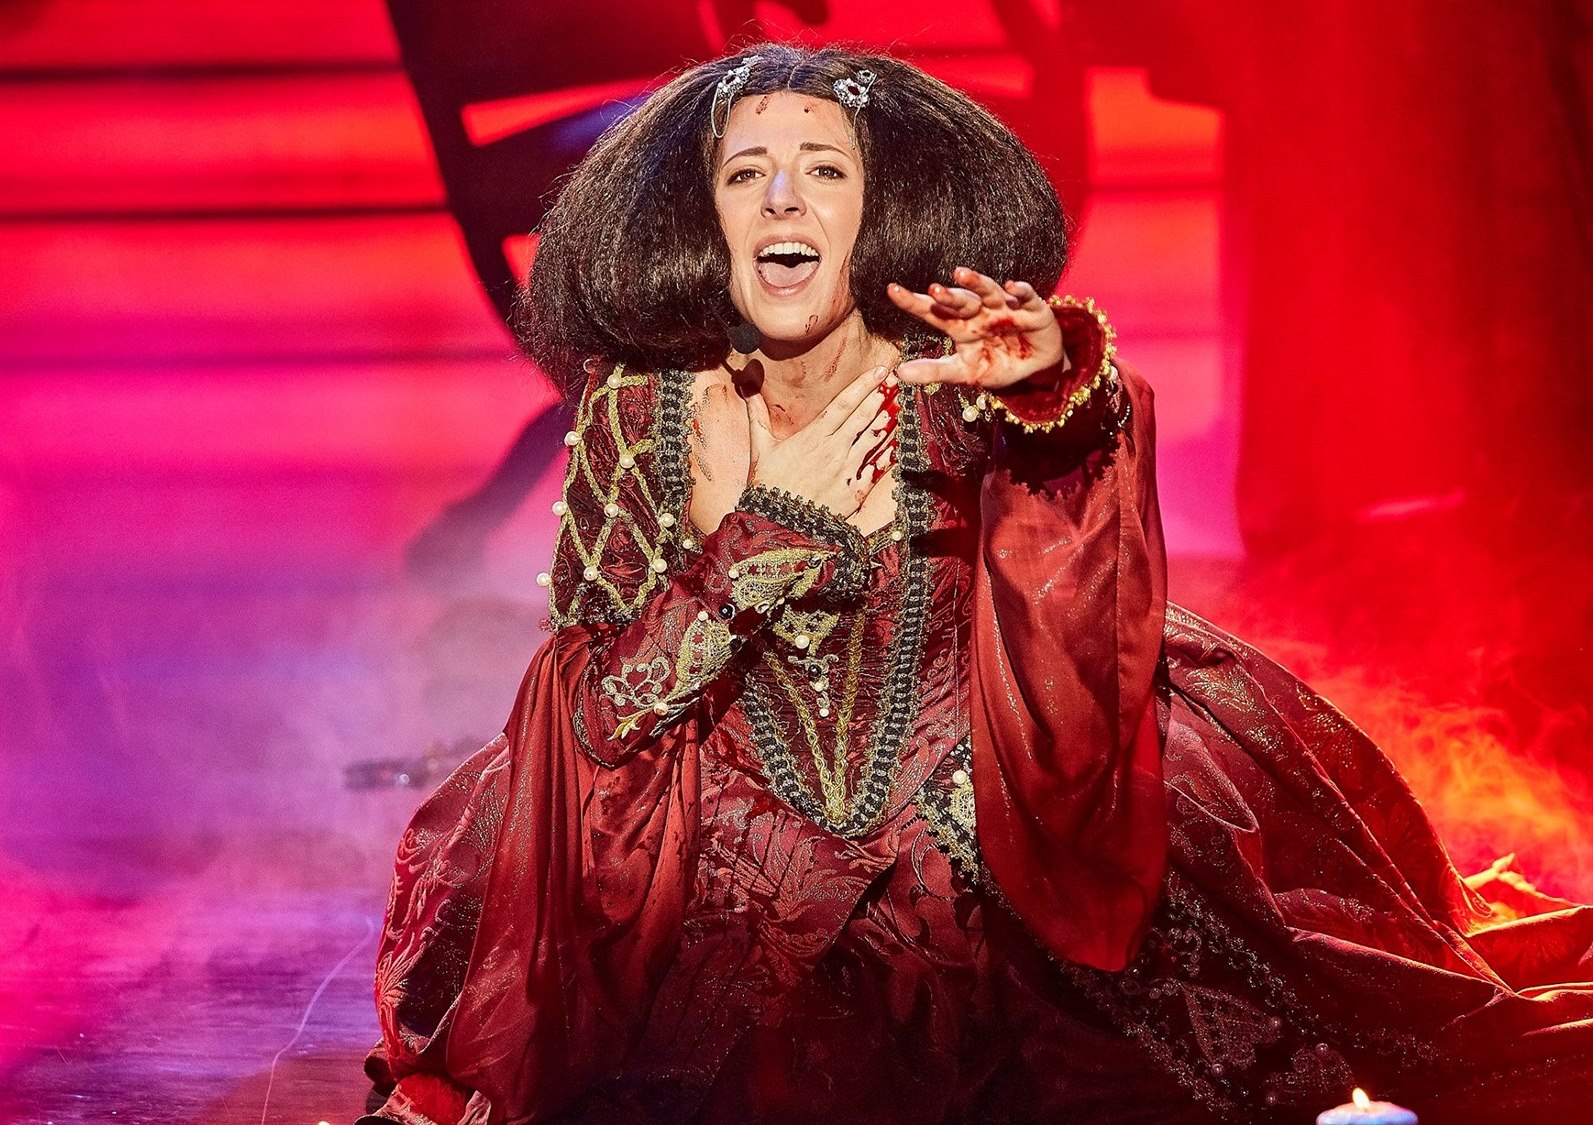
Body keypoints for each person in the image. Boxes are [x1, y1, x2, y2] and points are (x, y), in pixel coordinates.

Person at [361, 44, 1593, 1125]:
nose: (784, 197)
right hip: (710, 823)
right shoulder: (643, 411)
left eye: (825, 170)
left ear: (877, 210)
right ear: (704, 216)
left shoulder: (954, 374)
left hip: (992, 780)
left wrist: (1058, 393)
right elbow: (594, 716)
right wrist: (757, 545)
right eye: (746, 174)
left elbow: (1075, 585)